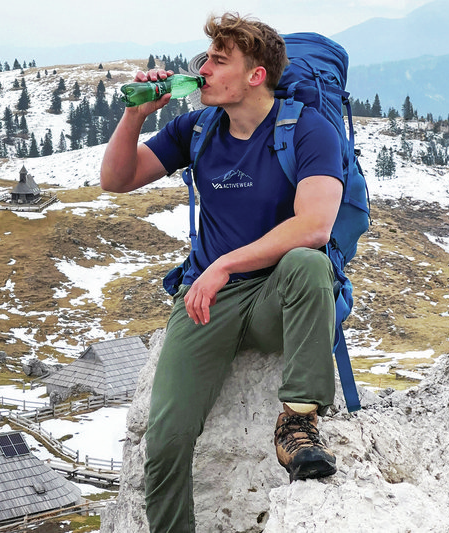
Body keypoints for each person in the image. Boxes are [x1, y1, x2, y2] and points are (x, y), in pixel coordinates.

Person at [100, 12, 344, 533]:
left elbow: (316, 226)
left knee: (307, 263)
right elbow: (116, 180)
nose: (202, 69)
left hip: (277, 293)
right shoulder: (198, 127)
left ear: (256, 75)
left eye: (218, 60)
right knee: (165, 441)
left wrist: (225, 264)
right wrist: (136, 115)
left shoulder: (306, 129)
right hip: (207, 300)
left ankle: (297, 423)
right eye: (204, 58)